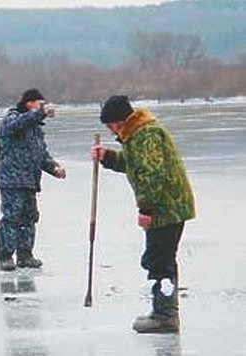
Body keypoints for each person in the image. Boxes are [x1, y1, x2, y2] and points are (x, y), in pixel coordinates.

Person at [90, 95, 195, 334]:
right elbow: (132, 163)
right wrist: (108, 157)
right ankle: (164, 311)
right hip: (168, 205)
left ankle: (165, 315)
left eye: (110, 125)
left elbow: (152, 174)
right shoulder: (137, 134)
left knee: (159, 260)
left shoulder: (145, 134)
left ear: (120, 120)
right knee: (161, 258)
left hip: (167, 207)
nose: (109, 130)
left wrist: (147, 209)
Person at [0, 88, 66, 272]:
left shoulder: (36, 130)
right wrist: (39, 113)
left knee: (30, 217)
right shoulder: (12, 118)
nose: (43, 108)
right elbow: (18, 124)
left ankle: (25, 254)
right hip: (12, 180)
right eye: (40, 104)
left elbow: (41, 155)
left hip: (30, 180)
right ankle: (6, 256)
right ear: (29, 103)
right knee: (11, 217)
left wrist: (54, 168)